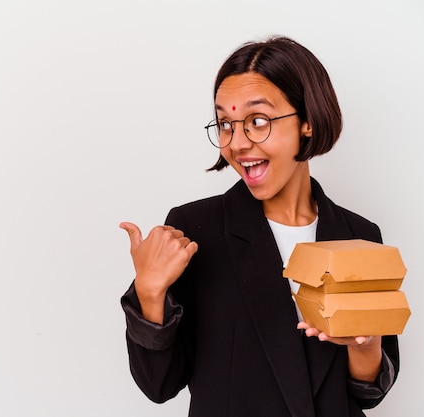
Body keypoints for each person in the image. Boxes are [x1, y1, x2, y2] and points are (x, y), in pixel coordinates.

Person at [119, 36, 399, 417]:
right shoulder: (193, 230)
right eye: (225, 124)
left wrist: (364, 346)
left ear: (308, 122)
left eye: (258, 121)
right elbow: (159, 385)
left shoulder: (361, 235)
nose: (237, 143)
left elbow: (368, 394)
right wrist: (149, 293)